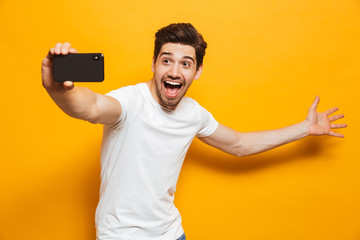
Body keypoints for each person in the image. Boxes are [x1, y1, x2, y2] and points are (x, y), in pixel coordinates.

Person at [41, 23, 347, 240]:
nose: (175, 71)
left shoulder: (194, 114)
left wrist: (305, 128)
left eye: (185, 64)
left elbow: (239, 143)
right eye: (167, 61)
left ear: (197, 71)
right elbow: (91, 107)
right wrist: (57, 88)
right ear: (154, 64)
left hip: (172, 234)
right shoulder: (131, 102)